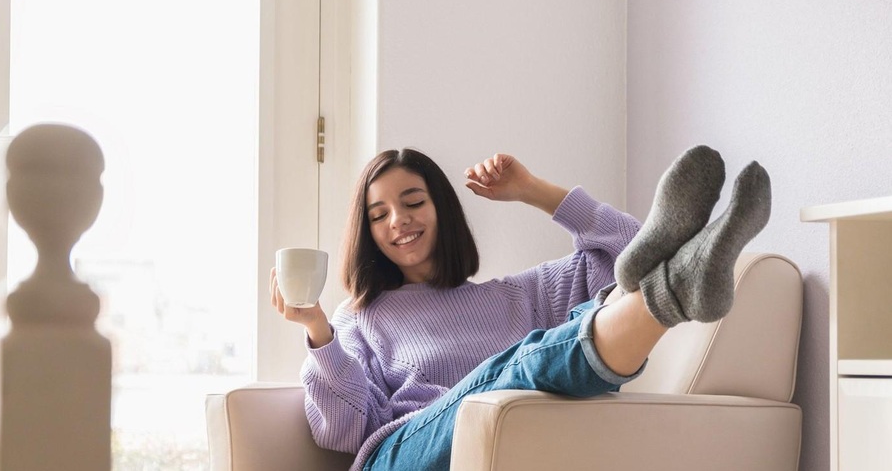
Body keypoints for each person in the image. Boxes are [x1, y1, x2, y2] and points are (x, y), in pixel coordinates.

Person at [269, 145, 771, 471]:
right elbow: (343, 431)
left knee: (601, 307)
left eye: (414, 202)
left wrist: (534, 191)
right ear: (369, 233)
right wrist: (317, 331)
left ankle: (680, 286)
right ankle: (679, 287)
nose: (399, 220)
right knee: (524, 362)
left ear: (442, 209)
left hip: (515, 448)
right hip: (401, 456)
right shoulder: (356, 319)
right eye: (380, 214)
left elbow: (630, 251)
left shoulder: (515, 296)